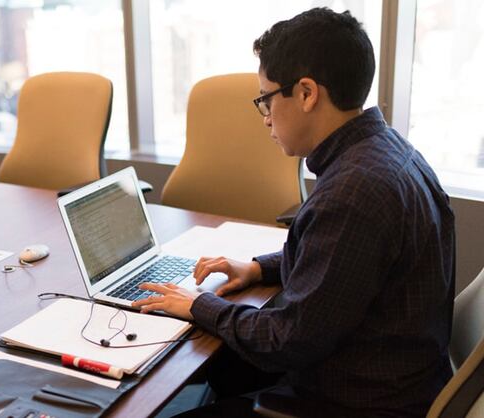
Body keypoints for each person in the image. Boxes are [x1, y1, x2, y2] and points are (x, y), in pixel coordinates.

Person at [133, 7, 455, 418]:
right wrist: (259, 269)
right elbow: (341, 267)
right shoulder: (388, 151)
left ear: (306, 93)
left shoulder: (353, 192)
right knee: (221, 367)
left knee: (200, 368)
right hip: (392, 375)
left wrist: (199, 305)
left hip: (354, 401)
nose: (265, 118)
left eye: (265, 99)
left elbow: (287, 339)